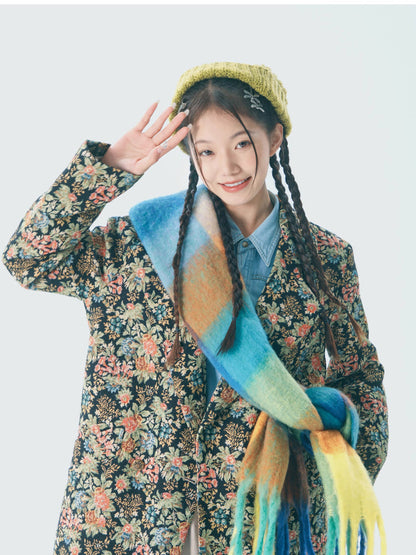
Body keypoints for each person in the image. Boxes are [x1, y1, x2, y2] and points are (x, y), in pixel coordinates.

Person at [2, 62, 388, 555]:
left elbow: (360, 377)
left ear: (275, 137)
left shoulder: (325, 258)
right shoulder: (139, 244)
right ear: (190, 153)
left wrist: (335, 473)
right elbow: (28, 260)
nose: (227, 167)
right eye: (206, 150)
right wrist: (109, 170)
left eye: (242, 144)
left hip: (263, 519)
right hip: (131, 512)